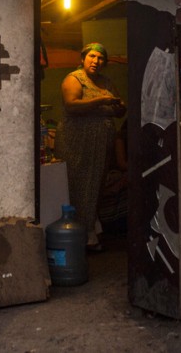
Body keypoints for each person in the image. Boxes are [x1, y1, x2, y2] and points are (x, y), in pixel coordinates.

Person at [55, 42, 126, 251]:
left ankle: (91, 232)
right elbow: (71, 104)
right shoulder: (74, 79)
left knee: (95, 186)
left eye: (101, 58)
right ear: (83, 58)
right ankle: (79, 235)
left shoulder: (106, 82)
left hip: (101, 144)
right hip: (76, 142)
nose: (96, 61)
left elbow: (119, 110)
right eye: (92, 57)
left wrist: (119, 106)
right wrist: (100, 101)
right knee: (79, 184)